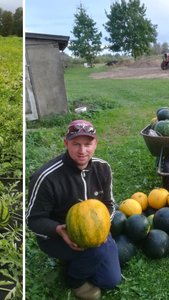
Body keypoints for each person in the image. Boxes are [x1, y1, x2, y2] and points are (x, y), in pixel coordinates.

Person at [26, 119, 121, 300]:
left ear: (96, 143)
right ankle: (75, 280)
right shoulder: (46, 177)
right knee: (98, 252)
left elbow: (109, 204)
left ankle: (80, 260)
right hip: (58, 236)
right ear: (66, 143)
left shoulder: (103, 168)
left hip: (95, 233)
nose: (82, 151)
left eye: (88, 144)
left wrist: (102, 226)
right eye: (76, 144)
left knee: (110, 280)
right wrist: (60, 230)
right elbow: (33, 220)